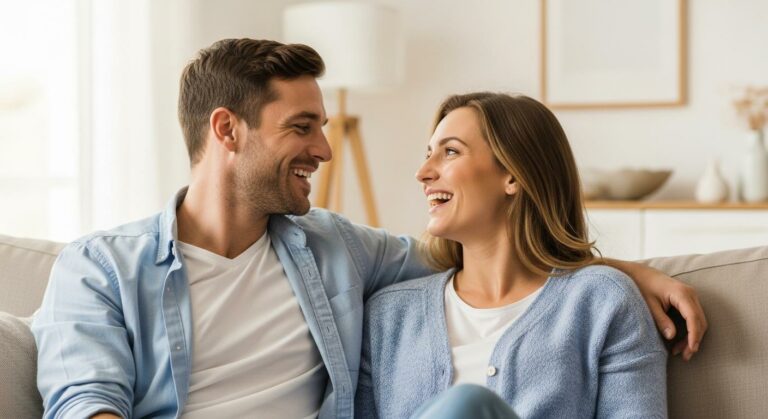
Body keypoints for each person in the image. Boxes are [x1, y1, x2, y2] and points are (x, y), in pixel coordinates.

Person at [32, 39, 703, 419]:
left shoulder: (335, 250)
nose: (325, 150)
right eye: (302, 127)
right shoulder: (100, 268)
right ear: (227, 130)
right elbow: (85, 401)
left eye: (322, 127)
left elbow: (493, 256)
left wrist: (623, 271)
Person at [355, 93, 669, 418]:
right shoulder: (388, 316)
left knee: (468, 403)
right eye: (428, 154)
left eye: (450, 152)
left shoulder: (601, 302)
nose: (423, 172)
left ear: (513, 176)